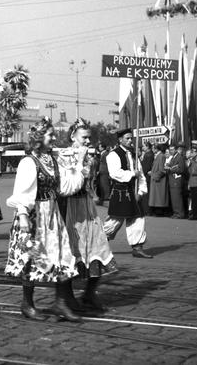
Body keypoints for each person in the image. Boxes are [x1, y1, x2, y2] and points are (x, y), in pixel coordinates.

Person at [5, 117, 83, 322]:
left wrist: (78, 165)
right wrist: (23, 217)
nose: (54, 138)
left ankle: (61, 303)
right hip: (34, 215)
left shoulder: (53, 160)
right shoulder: (29, 162)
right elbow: (22, 193)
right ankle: (27, 304)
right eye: (50, 135)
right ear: (39, 138)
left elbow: (66, 187)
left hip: (52, 213)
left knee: (62, 256)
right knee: (31, 258)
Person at [58, 118, 117, 313]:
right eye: (84, 137)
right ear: (73, 137)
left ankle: (89, 294)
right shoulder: (64, 156)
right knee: (72, 252)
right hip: (71, 208)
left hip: (87, 206)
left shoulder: (91, 156)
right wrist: (80, 160)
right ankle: (67, 298)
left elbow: (90, 182)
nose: (87, 141)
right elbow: (69, 183)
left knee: (98, 247)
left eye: (89, 138)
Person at [102, 128, 151, 258]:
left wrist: (141, 191)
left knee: (137, 218)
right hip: (121, 192)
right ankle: (98, 242)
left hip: (134, 191)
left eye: (131, 138)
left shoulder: (134, 154)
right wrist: (131, 174)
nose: (130, 141)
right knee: (115, 221)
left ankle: (137, 247)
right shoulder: (113, 154)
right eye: (127, 138)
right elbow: (115, 173)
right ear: (120, 140)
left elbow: (140, 174)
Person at [165, 143, 187, 219]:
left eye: (172, 149)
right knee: (174, 198)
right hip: (172, 179)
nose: (171, 151)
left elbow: (181, 168)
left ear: (176, 149)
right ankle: (176, 212)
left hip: (176, 180)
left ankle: (180, 213)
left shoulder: (179, 157)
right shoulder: (173, 157)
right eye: (170, 150)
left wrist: (170, 169)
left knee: (177, 197)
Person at [148, 143, 169, 215]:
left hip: (159, 180)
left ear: (156, 149)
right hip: (155, 178)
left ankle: (160, 211)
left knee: (159, 197)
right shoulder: (158, 156)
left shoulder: (161, 156)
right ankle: (157, 211)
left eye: (153, 148)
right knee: (157, 197)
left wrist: (155, 176)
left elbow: (162, 169)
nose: (152, 150)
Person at [140, 142, 154, 216]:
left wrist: (141, 172)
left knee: (146, 194)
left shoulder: (148, 155)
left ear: (148, 147)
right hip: (146, 175)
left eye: (144, 146)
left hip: (146, 176)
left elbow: (146, 166)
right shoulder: (146, 154)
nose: (143, 148)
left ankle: (147, 210)